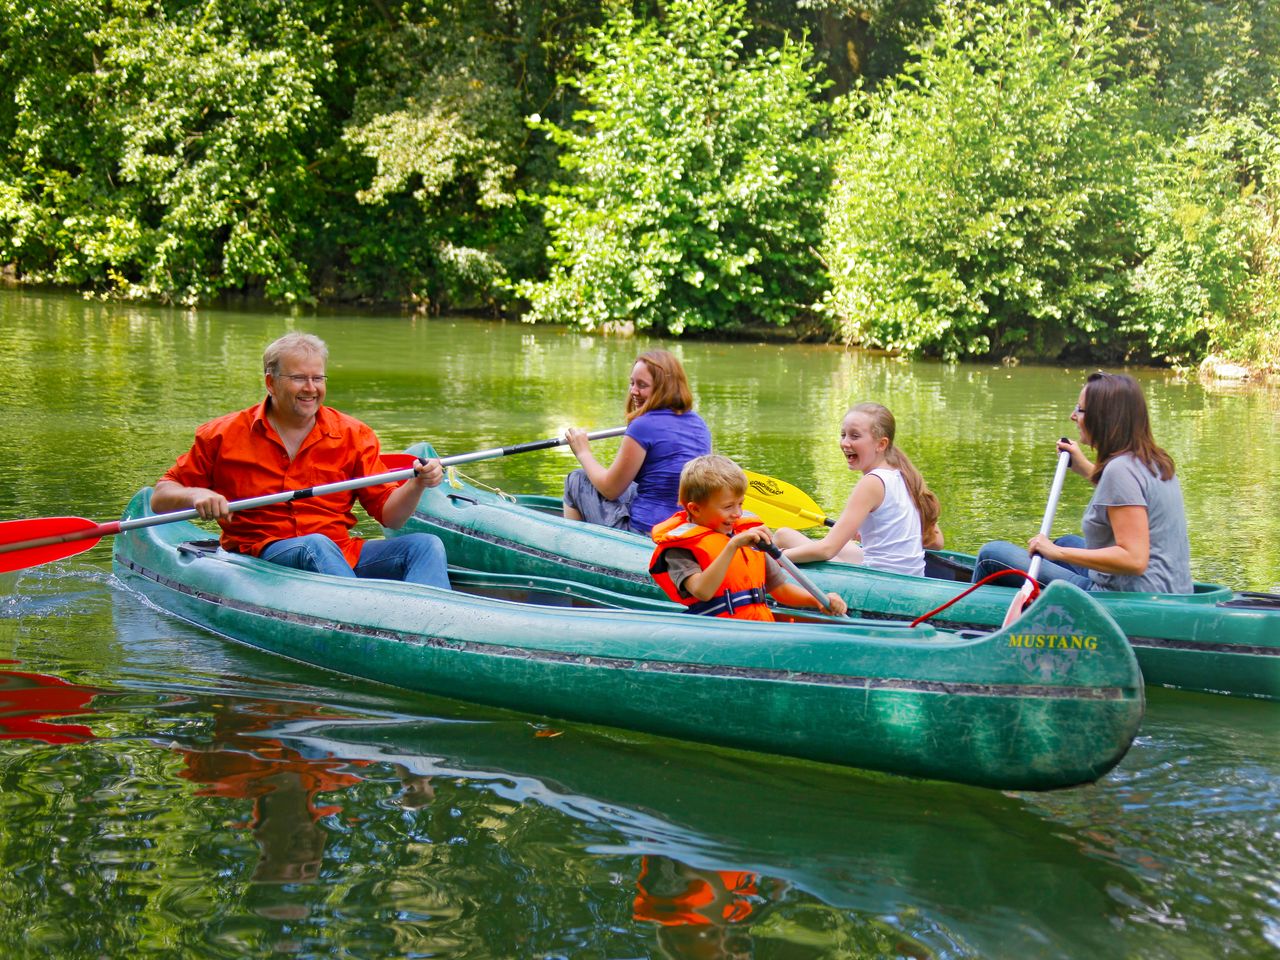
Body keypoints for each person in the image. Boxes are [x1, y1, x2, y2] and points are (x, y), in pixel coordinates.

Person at [151, 332, 451, 588]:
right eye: (298, 378)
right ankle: (364, 618)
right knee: (314, 546)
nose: (311, 388)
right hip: (264, 556)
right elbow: (161, 496)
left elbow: (391, 517)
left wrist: (418, 484)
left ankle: (437, 633)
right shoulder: (222, 435)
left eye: (317, 378)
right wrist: (197, 493)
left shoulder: (354, 435)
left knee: (425, 546)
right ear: (271, 382)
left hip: (338, 554)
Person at [971, 372, 1193, 593]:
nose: (1072, 416)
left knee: (990, 555)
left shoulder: (1120, 470)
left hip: (1128, 599)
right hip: (1170, 591)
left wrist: (1056, 554)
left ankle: (973, 619)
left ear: (1102, 416)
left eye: (1080, 409)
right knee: (1065, 541)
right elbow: (1128, 500)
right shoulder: (1154, 460)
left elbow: (1134, 559)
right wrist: (1086, 469)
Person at [649, 455, 847, 620]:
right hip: (717, 634)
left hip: (759, 627)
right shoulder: (679, 549)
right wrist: (732, 547)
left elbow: (780, 589)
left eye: (740, 504)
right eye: (728, 506)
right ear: (695, 509)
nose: (737, 513)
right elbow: (702, 591)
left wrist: (819, 601)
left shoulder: (747, 535)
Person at [772, 403, 943, 577]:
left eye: (855, 436)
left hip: (879, 582)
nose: (845, 443)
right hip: (911, 578)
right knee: (793, 536)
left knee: (782, 536)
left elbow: (827, 550)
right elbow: (937, 542)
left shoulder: (871, 483)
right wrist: (878, 534)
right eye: (843, 435)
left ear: (881, 444)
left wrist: (775, 557)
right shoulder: (905, 475)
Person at [563, 349, 712, 535]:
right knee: (633, 487)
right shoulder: (699, 423)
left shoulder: (643, 426)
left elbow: (610, 490)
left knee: (576, 479)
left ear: (664, 388)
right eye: (632, 383)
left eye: (642, 385)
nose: (633, 391)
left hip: (645, 531)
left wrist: (583, 452)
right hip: (685, 528)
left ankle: (575, 552)